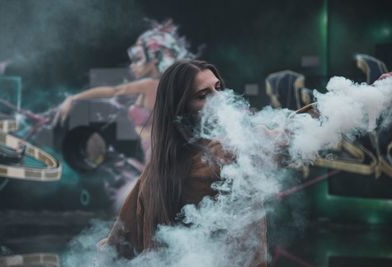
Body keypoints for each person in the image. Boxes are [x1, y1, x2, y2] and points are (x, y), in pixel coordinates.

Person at [102, 60, 267, 266]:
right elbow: (121, 241)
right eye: (203, 95)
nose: (220, 99)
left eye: (218, 88)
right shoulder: (225, 156)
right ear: (181, 109)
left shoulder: (157, 170)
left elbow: (117, 246)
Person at [57, 19, 195, 163]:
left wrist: (74, 98)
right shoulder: (163, 87)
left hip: (157, 153)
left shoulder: (149, 85)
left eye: (138, 59)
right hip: (154, 151)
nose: (132, 65)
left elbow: (114, 91)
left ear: (154, 59)